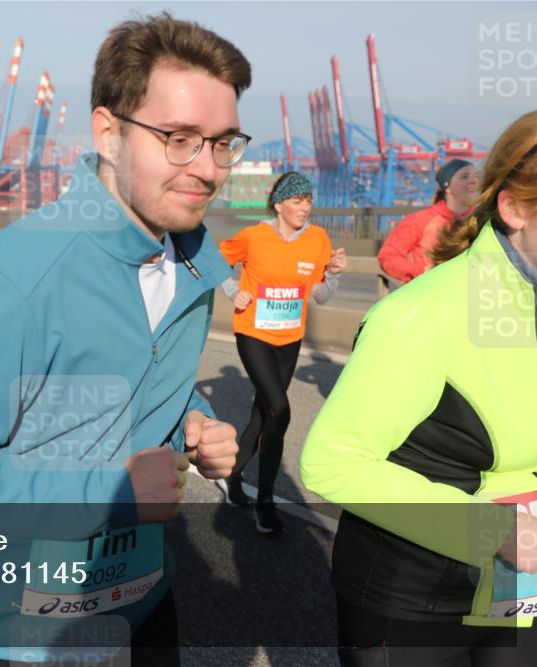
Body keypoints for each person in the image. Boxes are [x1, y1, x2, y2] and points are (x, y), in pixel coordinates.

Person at [0, 13, 249, 665]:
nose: (208, 168)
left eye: (224, 142)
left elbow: (127, 400)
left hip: (140, 607)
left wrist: (192, 425)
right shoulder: (3, 280)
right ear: (109, 133)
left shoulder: (195, 262)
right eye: (179, 138)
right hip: (8, 632)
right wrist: (108, 492)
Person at [300, 111, 537, 666]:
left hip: (519, 591)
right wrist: (490, 530)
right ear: (516, 208)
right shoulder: (422, 314)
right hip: (415, 601)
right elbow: (333, 463)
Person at [213, 172, 347, 532]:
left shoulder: (317, 239)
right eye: (297, 202)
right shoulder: (253, 237)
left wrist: (333, 273)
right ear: (279, 205)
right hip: (254, 334)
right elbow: (214, 261)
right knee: (280, 409)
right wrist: (231, 291)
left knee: (263, 417)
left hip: (289, 339)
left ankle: (233, 474)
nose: (305, 209)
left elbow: (321, 295)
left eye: (308, 202)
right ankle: (265, 502)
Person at [377, 158, 479, 284]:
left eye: (476, 176)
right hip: (429, 296)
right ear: (447, 187)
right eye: (464, 177)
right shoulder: (421, 220)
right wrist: (422, 271)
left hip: (469, 297)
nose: (473, 181)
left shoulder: (483, 219)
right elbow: (387, 256)